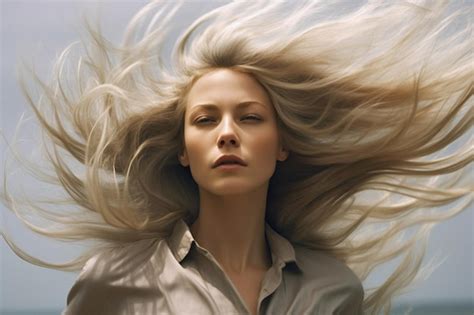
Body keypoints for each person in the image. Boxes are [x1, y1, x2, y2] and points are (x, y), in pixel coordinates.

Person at [0, 1, 471, 314]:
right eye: (205, 120)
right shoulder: (115, 282)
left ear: (282, 144)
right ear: (184, 151)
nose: (226, 134)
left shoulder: (333, 289)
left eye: (249, 118)